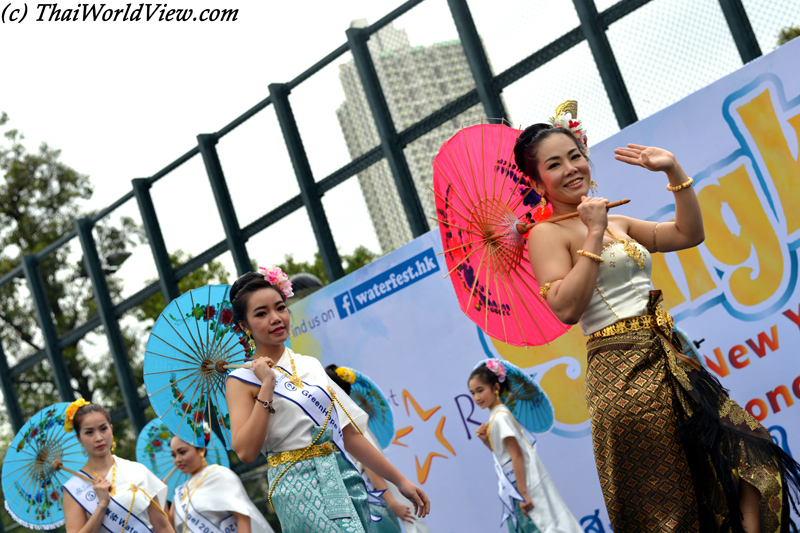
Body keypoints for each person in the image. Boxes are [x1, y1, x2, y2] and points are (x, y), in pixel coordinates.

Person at [516, 105, 800, 532]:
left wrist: (673, 172)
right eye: (554, 165)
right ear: (538, 183)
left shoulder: (620, 220)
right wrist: (592, 231)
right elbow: (566, 308)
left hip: (671, 360)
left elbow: (689, 234)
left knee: (749, 460)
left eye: (575, 155)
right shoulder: (545, 235)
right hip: (622, 378)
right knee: (669, 510)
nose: (572, 168)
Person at [224, 266, 430, 532]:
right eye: (261, 314)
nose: (275, 318)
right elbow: (246, 451)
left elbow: (348, 434)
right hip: (296, 487)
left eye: (280, 308)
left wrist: (400, 481)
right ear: (244, 325)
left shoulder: (309, 364)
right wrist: (267, 386)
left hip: (343, 475)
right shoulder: (241, 379)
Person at [468, 361, 583, 533]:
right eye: (472, 393)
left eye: (480, 390)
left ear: (496, 388)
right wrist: (486, 440)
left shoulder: (500, 416)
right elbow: (503, 454)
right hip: (514, 487)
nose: (477, 397)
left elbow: (517, 455)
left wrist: (523, 493)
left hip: (520, 486)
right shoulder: (497, 415)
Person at [326, 364, 432, 533]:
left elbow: (369, 466)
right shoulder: (349, 424)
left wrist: (392, 502)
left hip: (374, 496)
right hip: (374, 497)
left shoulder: (344, 425)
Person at [62, 399, 174, 533]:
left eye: (103, 429)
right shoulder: (75, 488)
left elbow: (162, 527)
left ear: (111, 429)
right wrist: (102, 506)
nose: (98, 438)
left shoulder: (137, 471)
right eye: (89, 432)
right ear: (79, 438)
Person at [168, 435, 273, 533]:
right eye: (173, 455)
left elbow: (243, 517)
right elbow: (168, 528)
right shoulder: (179, 493)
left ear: (201, 449)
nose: (177, 459)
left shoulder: (220, 475)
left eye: (182, 452)